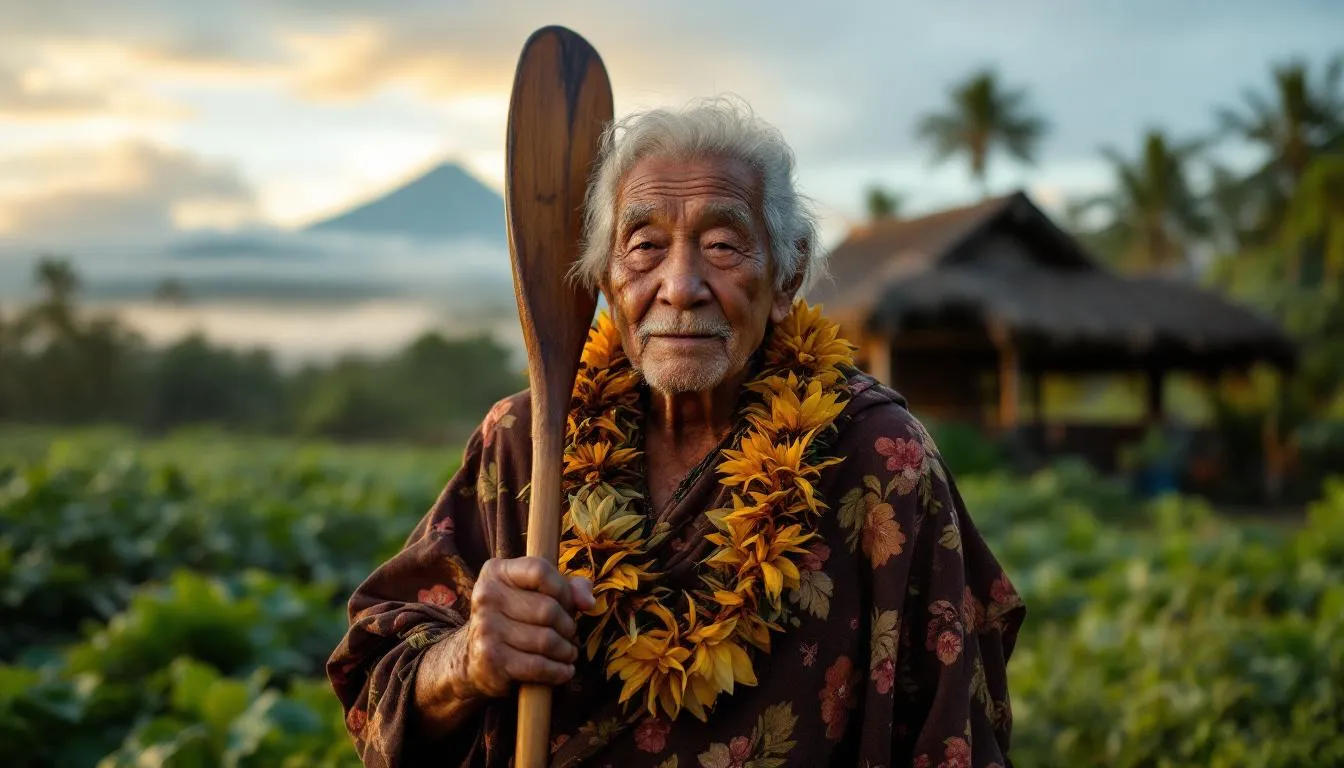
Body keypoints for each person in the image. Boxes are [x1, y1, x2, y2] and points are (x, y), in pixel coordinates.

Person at [326, 98, 1026, 768]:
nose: (681, 284)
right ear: (604, 280)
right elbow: (375, 672)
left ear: (787, 276)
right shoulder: (525, 439)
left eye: (723, 245)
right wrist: (469, 659)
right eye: (645, 246)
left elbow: (949, 729)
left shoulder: (879, 459)